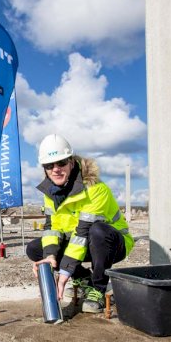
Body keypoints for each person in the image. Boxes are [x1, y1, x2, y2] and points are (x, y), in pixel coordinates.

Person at [28, 134, 134, 313]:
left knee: (97, 231)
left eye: (61, 163)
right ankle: (85, 278)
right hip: (82, 245)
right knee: (35, 249)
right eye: (49, 165)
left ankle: (98, 289)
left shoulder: (95, 189)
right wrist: (50, 256)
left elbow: (83, 233)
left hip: (111, 244)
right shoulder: (50, 194)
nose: (56, 169)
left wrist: (64, 272)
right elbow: (51, 229)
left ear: (71, 161)